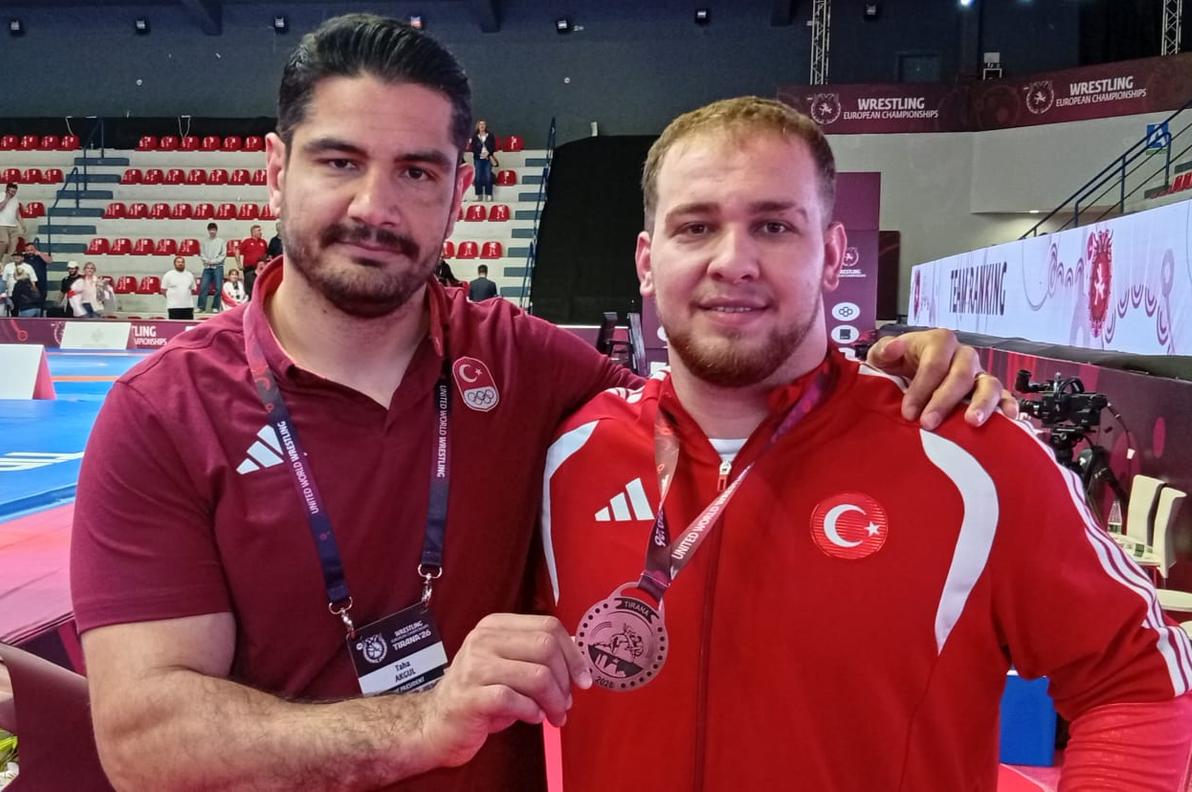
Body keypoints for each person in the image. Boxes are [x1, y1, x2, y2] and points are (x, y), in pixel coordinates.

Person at [70, 15, 1007, 792]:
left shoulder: (521, 364)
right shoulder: (165, 413)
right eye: (338, 161)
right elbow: (145, 741)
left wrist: (883, 366)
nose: (375, 206)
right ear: (275, 168)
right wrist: (418, 727)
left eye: (417, 171)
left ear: (463, 189)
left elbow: (722, 399)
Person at [539, 97, 1192, 792]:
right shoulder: (568, 455)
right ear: (647, 261)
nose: (733, 261)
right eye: (696, 227)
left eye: (773, 225)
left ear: (831, 254)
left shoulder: (968, 453)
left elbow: (1140, 680)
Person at [467, 119, 499, 202]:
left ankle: (489, 195)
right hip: (478, 159)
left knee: (488, 176)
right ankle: (479, 196)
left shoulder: (490, 135)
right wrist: (480, 154)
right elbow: (473, 148)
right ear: (478, 126)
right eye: (480, 124)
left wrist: (487, 154)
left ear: (485, 126)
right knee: (478, 177)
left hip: (488, 159)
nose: (482, 126)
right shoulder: (474, 136)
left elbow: (493, 147)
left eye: (483, 124)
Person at [198, 222, 226, 313]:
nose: (212, 232)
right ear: (208, 230)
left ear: (216, 230)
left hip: (218, 267)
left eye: (214, 230)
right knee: (203, 287)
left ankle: (215, 306)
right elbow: (202, 254)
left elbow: (223, 255)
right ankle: (201, 306)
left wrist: (213, 261)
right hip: (207, 267)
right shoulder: (204, 242)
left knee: (218, 287)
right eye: (210, 230)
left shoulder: (221, 241)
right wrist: (207, 261)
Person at [161, 255, 198, 320]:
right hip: (173, 307)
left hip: (188, 307)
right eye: (178, 262)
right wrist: (171, 298)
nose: (180, 264)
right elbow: (163, 290)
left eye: (182, 262)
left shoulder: (189, 275)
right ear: (174, 264)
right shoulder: (168, 275)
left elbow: (193, 289)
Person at [0, 182, 22, 260]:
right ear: (7, 190)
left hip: (13, 225)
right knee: (5, 242)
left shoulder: (15, 199)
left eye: (14, 192)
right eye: (11, 191)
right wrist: (7, 199)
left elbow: (17, 213)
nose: (13, 193)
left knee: (14, 244)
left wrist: (22, 223)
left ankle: (9, 262)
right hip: (1, 224)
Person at [238, 223, 268, 297]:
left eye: (260, 230)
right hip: (249, 267)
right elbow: (237, 251)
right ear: (253, 232)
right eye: (258, 230)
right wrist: (239, 264)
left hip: (260, 268)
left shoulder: (263, 242)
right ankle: (249, 300)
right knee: (249, 285)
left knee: (261, 284)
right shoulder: (247, 241)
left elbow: (266, 254)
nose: (261, 232)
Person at [20, 242, 51, 306]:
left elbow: (49, 260)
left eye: (31, 250)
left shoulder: (40, 256)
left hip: (41, 283)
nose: (30, 252)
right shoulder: (24, 258)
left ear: (35, 249)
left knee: (41, 302)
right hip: (28, 284)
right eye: (27, 250)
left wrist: (39, 253)